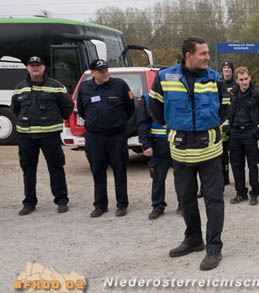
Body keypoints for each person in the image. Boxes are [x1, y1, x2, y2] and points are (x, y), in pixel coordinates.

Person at [148, 36, 227, 271]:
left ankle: (214, 247)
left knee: (214, 200)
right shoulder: (164, 77)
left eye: (207, 53)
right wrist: (177, 126)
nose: (207, 57)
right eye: (202, 53)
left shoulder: (216, 79)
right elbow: (154, 108)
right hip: (181, 152)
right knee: (186, 200)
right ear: (188, 55)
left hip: (210, 151)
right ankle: (193, 240)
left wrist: (205, 127)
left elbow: (225, 110)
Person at [11, 56, 74, 215]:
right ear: (27, 68)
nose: (35, 68)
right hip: (26, 136)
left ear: (44, 68)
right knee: (28, 170)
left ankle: (61, 200)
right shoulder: (20, 88)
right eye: (32, 66)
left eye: (38, 65)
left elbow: (68, 105)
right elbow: (15, 109)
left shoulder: (56, 86)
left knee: (56, 168)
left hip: (50, 135)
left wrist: (58, 120)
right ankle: (29, 202)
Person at [76, 59, 135, 218]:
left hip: (116, 136)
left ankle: (122, 204)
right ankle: (100, 205)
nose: (105, 73)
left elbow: (130, 108)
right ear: (93, 73)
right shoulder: (85, 88)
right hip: (95, 137)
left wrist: (119, 125)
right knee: (98, 170)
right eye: (101, 71)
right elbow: (82, 110)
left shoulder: (119, 85)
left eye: (106, 70)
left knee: (120, 170)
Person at [222, 67, 259, 206]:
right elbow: (226, 114)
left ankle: (254, 194)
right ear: (237, 80)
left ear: (249, 78)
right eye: (241, 80)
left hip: (251, 134)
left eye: (246, 79)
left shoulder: (258, 95)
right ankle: (240, 193)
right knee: (236, 165)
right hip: (235, 134)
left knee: (252, 165)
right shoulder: (231, 94)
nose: (244, 82)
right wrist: (226, 126)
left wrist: (258, 131)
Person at [138, 90, 178, 219]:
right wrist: (146, 144)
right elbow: (142, 122)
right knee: (158, 177)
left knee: (183, 177)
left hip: (177, 142)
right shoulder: (148, 97)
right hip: (157, 144)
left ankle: (184, 204)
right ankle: (158, 206)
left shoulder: (177, 94)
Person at [219, 60, 236, 186]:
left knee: (234, 153)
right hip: (221, 124)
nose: (226, 69)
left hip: (234, 123)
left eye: (229, 67)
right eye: (224, 67)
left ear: (232, 70)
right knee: (222, 154)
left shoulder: (236, 84)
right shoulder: (218, 84)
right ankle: (224, 179)